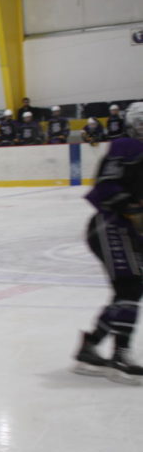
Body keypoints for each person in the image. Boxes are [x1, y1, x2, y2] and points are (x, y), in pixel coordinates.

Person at [74, 102, 143, 385]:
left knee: (127, 292)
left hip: (126, 229)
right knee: (130, 286)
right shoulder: (125, 146)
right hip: (110, 226)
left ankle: (90, 347)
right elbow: (107, 185)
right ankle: (120, 354)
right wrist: (134, 211)